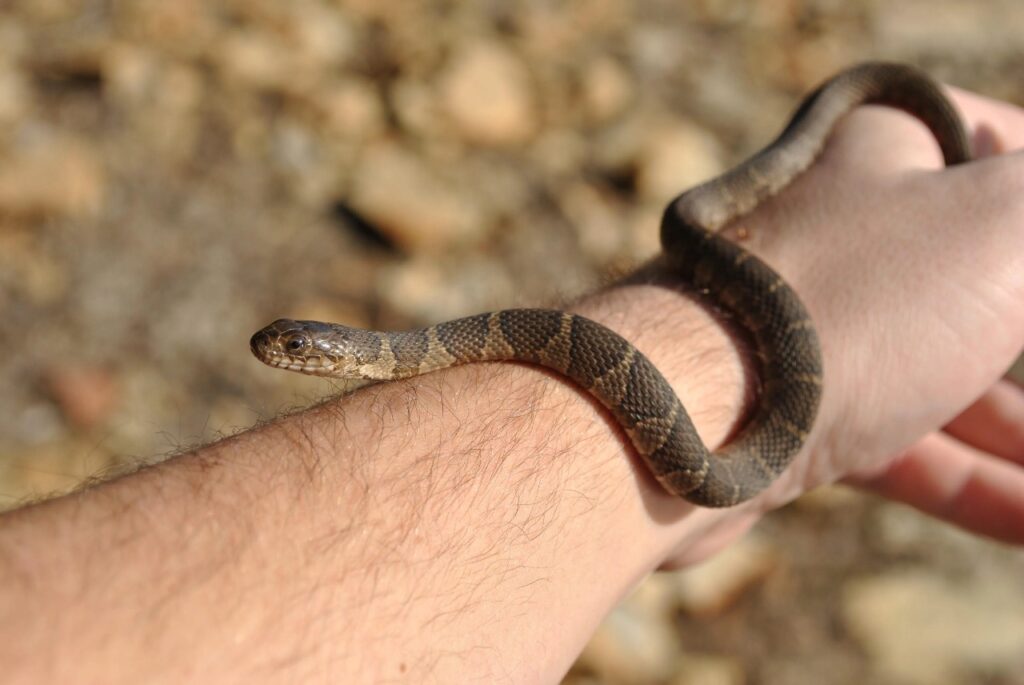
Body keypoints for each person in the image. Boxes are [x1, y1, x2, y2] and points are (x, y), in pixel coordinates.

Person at [2, 85, 1023, 684]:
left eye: (297, 352)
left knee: (689, 221)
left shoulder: (421, 348)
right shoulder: (423, 350)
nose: (288, 361)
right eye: (292, 353)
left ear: (333, 356)